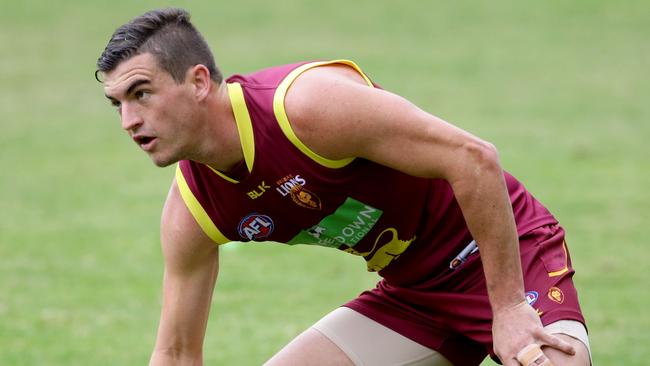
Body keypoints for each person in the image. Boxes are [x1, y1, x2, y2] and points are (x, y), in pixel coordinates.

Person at [96, 8, 591, 366]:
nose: (128, 120)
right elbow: (177, 351)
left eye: (142, 94)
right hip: (413, 296)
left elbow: (475, 159)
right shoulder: (193, 210)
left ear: (199, 81)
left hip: (509, 257)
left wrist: (506, 308)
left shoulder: (305, 109)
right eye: (117, 103)